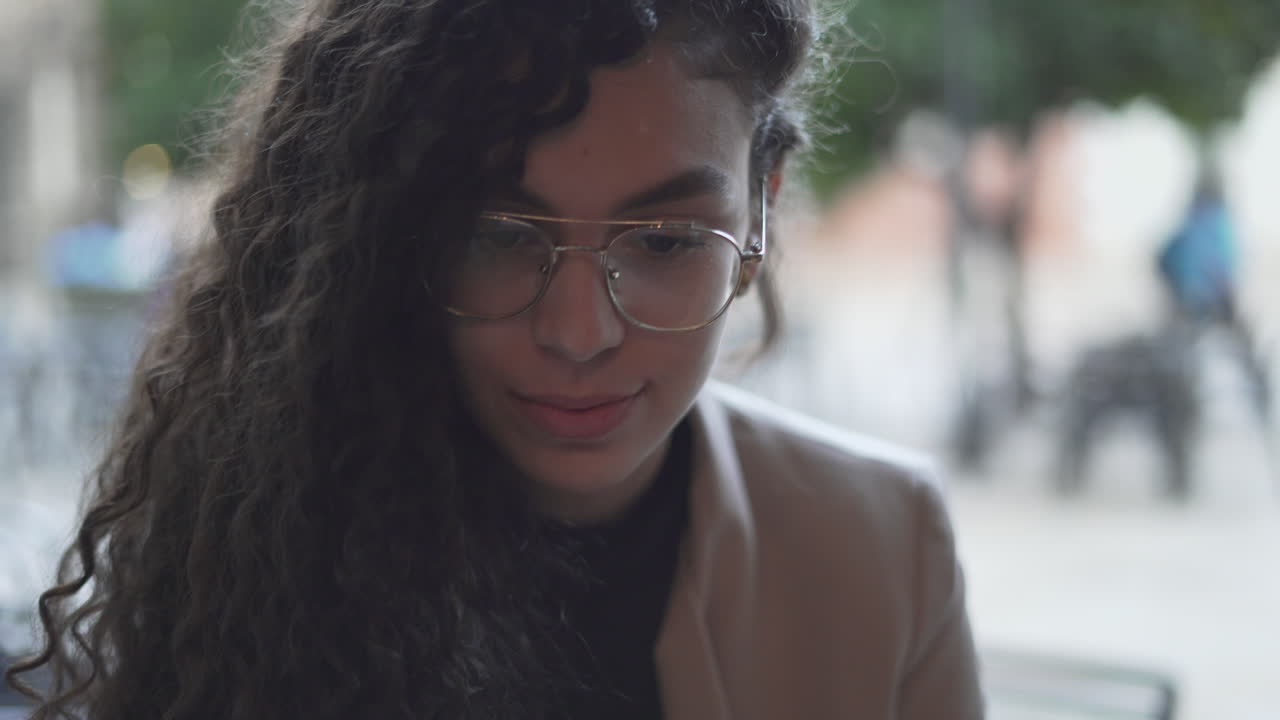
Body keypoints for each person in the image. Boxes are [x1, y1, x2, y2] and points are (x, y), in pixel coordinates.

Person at [5, 1, 984, 718]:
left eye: (665, 241)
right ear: (385, 236)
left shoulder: (882, 549)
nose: (578, 331)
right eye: (497, 233)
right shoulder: (251, 545)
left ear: (761, 208)